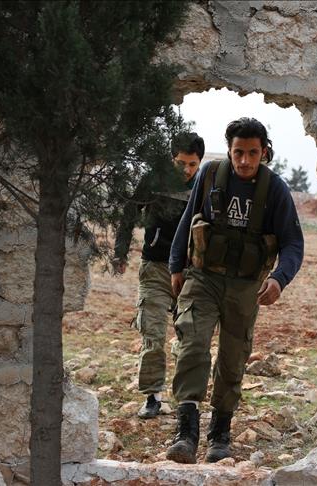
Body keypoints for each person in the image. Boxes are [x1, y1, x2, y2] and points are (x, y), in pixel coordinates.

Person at [165, 118, 304, 463]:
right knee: (192, 343)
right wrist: (176, 266)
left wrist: (279, 279)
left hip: (246, 286)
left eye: (252, 153)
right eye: (238, 152)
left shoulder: (275, 190)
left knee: (233, 357)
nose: (244, 160)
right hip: (204, 277)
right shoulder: (210, 175)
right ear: (229, 150)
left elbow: (293, 243)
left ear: (264, 152)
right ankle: (186, 432)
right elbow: (189, 218)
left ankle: (220, 434)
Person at [114, 132, 205, 419]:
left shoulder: (205, 186)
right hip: (154, 268)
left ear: (199, 163)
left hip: (191, 273)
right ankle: (153, 397)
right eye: (180, 163)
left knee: (189, 336)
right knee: (152, 334)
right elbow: (130, 211)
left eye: (192, 164)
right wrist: (120, 252)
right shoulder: (153, 180)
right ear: (171, 159)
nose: (186, 170)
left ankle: (186, 400)